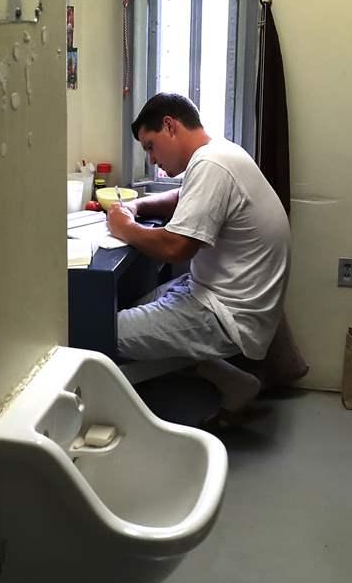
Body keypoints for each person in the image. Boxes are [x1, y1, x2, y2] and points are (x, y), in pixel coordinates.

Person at [105, 92, 291, 423]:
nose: (151, 160)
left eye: (150, 146)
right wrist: (137, 206)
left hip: (225, 312)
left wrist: (124, 227)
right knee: (125, 310)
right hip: (219, 295)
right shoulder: (221, 153)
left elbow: (177, 248)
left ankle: (121, 418)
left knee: (98, 329)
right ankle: (236, 383)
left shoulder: (210, 164)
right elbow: (182, 197)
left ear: (169, 126)